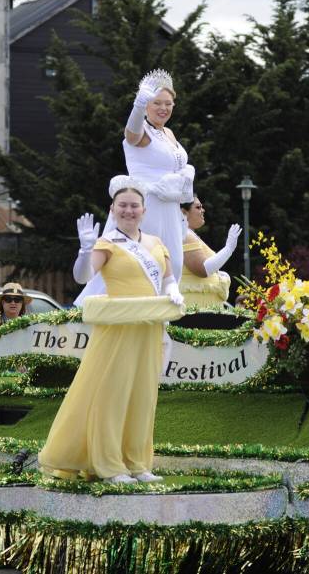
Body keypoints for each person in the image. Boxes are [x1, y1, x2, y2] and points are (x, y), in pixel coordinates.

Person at [39, 176, 184, 484]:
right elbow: (83, 276)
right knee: (113, 394)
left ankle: (136, 462)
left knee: (143, 395)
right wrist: (84, 249)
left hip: (148, 328)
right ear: (113, 209)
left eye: (134, 206)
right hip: (117, 329)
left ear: (144, 210)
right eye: (123, 206)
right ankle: (109, 464)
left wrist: (173, 290)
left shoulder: (156, 243)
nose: (129, 211)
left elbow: (168, 277)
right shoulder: (107, 243)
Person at [76, 69, 194, 304]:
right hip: (145, 206)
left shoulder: (168, 132)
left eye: (168, 103)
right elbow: (131, 135)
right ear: (147, 105)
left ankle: (163, 318)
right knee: (132, 260)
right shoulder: (143, 131)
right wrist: (137, 107)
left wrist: (186, 172)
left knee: (173, 263)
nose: (163, 108)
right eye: (156, 103)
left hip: (170, 208)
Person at [178, 196, 241, 307]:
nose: (203, 210)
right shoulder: (185, 235)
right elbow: (203, 269)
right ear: (184, 212)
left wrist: (219, 275)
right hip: (194, 307)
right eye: (198, 207)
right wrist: (228, 249)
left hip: (203, 307)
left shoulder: (190, 234)